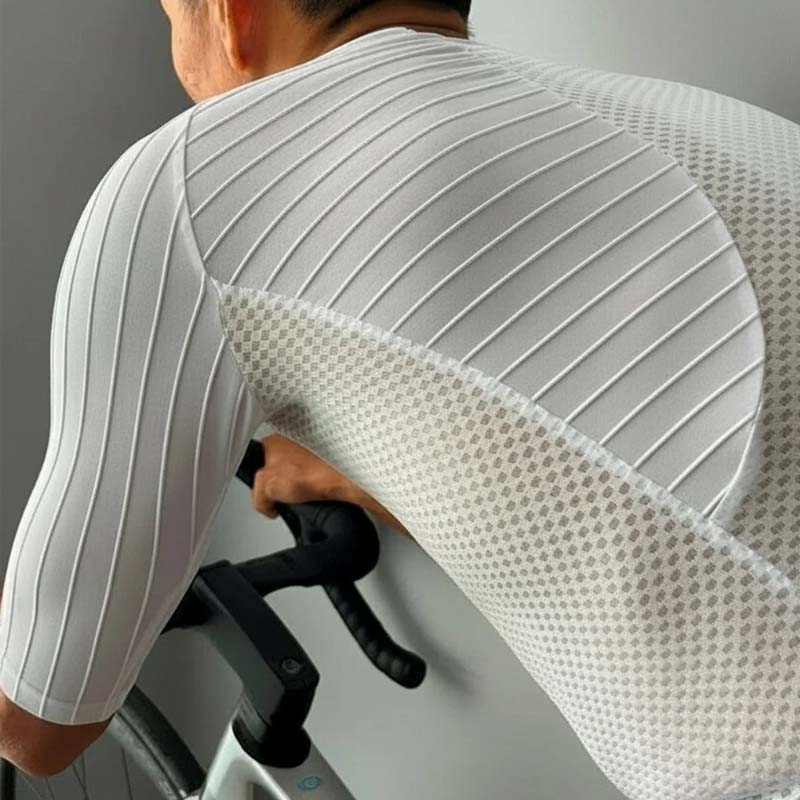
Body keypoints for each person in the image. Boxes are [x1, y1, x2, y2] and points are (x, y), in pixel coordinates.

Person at [1, 1, 798, 798]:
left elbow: (38, 723)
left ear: (231, 14)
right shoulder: (708, 120)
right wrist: (352, 474)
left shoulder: (187, 184)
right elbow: (639, 474)